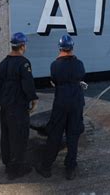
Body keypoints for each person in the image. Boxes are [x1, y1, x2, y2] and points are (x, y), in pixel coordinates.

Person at [36, 34, 86, 180]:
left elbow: (55, 79)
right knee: (73, 135)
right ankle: (70, 168)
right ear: (72, 48)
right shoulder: (79, 64)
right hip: (76, 103)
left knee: (54, 135)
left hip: (61, 103)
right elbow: (81, 75)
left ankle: (46, 167)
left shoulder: (55, 65)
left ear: (60, 48)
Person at [0, 32, 39, 179]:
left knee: (7, 135)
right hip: (18, 106)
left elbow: (0, 86)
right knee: (20, 136)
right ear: (22, 46)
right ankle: (17, 168)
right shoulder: (24, 63)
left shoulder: (3, 63)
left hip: (5, 105)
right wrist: (33, 99)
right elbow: (28, 84)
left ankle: (8, 163)